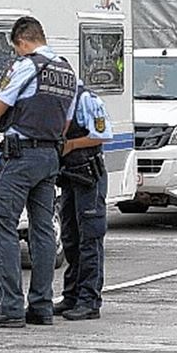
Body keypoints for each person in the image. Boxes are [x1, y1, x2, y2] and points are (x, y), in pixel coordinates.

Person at [0, 16, 77, 328]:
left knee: (3, 223)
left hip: (20, 155)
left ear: (22, 42)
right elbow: (67, 121)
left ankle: (10, 306)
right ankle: (42, 305)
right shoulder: (66, 70)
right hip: (50, 154)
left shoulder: (26, 66)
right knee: (42, 229)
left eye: (16, 48)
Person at [54, 80, 111, 321]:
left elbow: (102, 134)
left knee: (90, 237)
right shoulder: (60, 99)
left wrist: (71, 145)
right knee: (70, 237)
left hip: (89, 175)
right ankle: (72, 295)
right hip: (69, 176)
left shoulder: (86, 99)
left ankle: (89, 301)